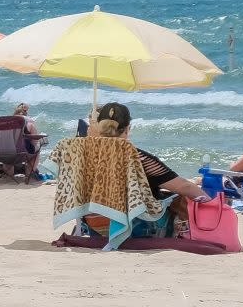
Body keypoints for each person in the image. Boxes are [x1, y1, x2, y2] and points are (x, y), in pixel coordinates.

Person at [53, 101, 208, 246]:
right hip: (135, 228)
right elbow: (184, 186)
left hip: (95, 227)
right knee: (180, 198)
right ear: (127, 129)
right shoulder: (134, 156)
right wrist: (210, 203)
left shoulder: (80, 155)